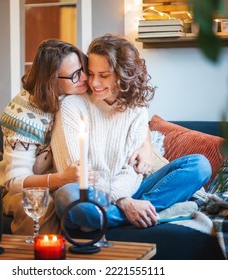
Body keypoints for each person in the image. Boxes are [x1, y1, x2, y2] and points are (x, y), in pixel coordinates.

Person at [52, 34, 212, 231]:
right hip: (90, 194)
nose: (94, 83)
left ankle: (120, 216)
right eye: (91, 73)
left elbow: (132, 171)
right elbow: (74, 173)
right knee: (66, 196)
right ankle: (154, 212)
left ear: (123, 74)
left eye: (104, 75)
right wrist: (125, 202)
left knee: (199, 165)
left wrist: (126, 199)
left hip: (131, 190)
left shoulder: (136, 109)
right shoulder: (72, 106)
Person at [0, 38, 155, 235]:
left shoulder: (85, 87)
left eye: (83, 69)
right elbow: (14, 182)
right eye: (74, 76)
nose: (86, 79)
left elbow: (133, 112)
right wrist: (61, 178)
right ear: (52, 81)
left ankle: (124, 212)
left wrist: (146, 145)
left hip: (73, 183)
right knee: (47, 205)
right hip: (27, 187)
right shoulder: (25, 115)